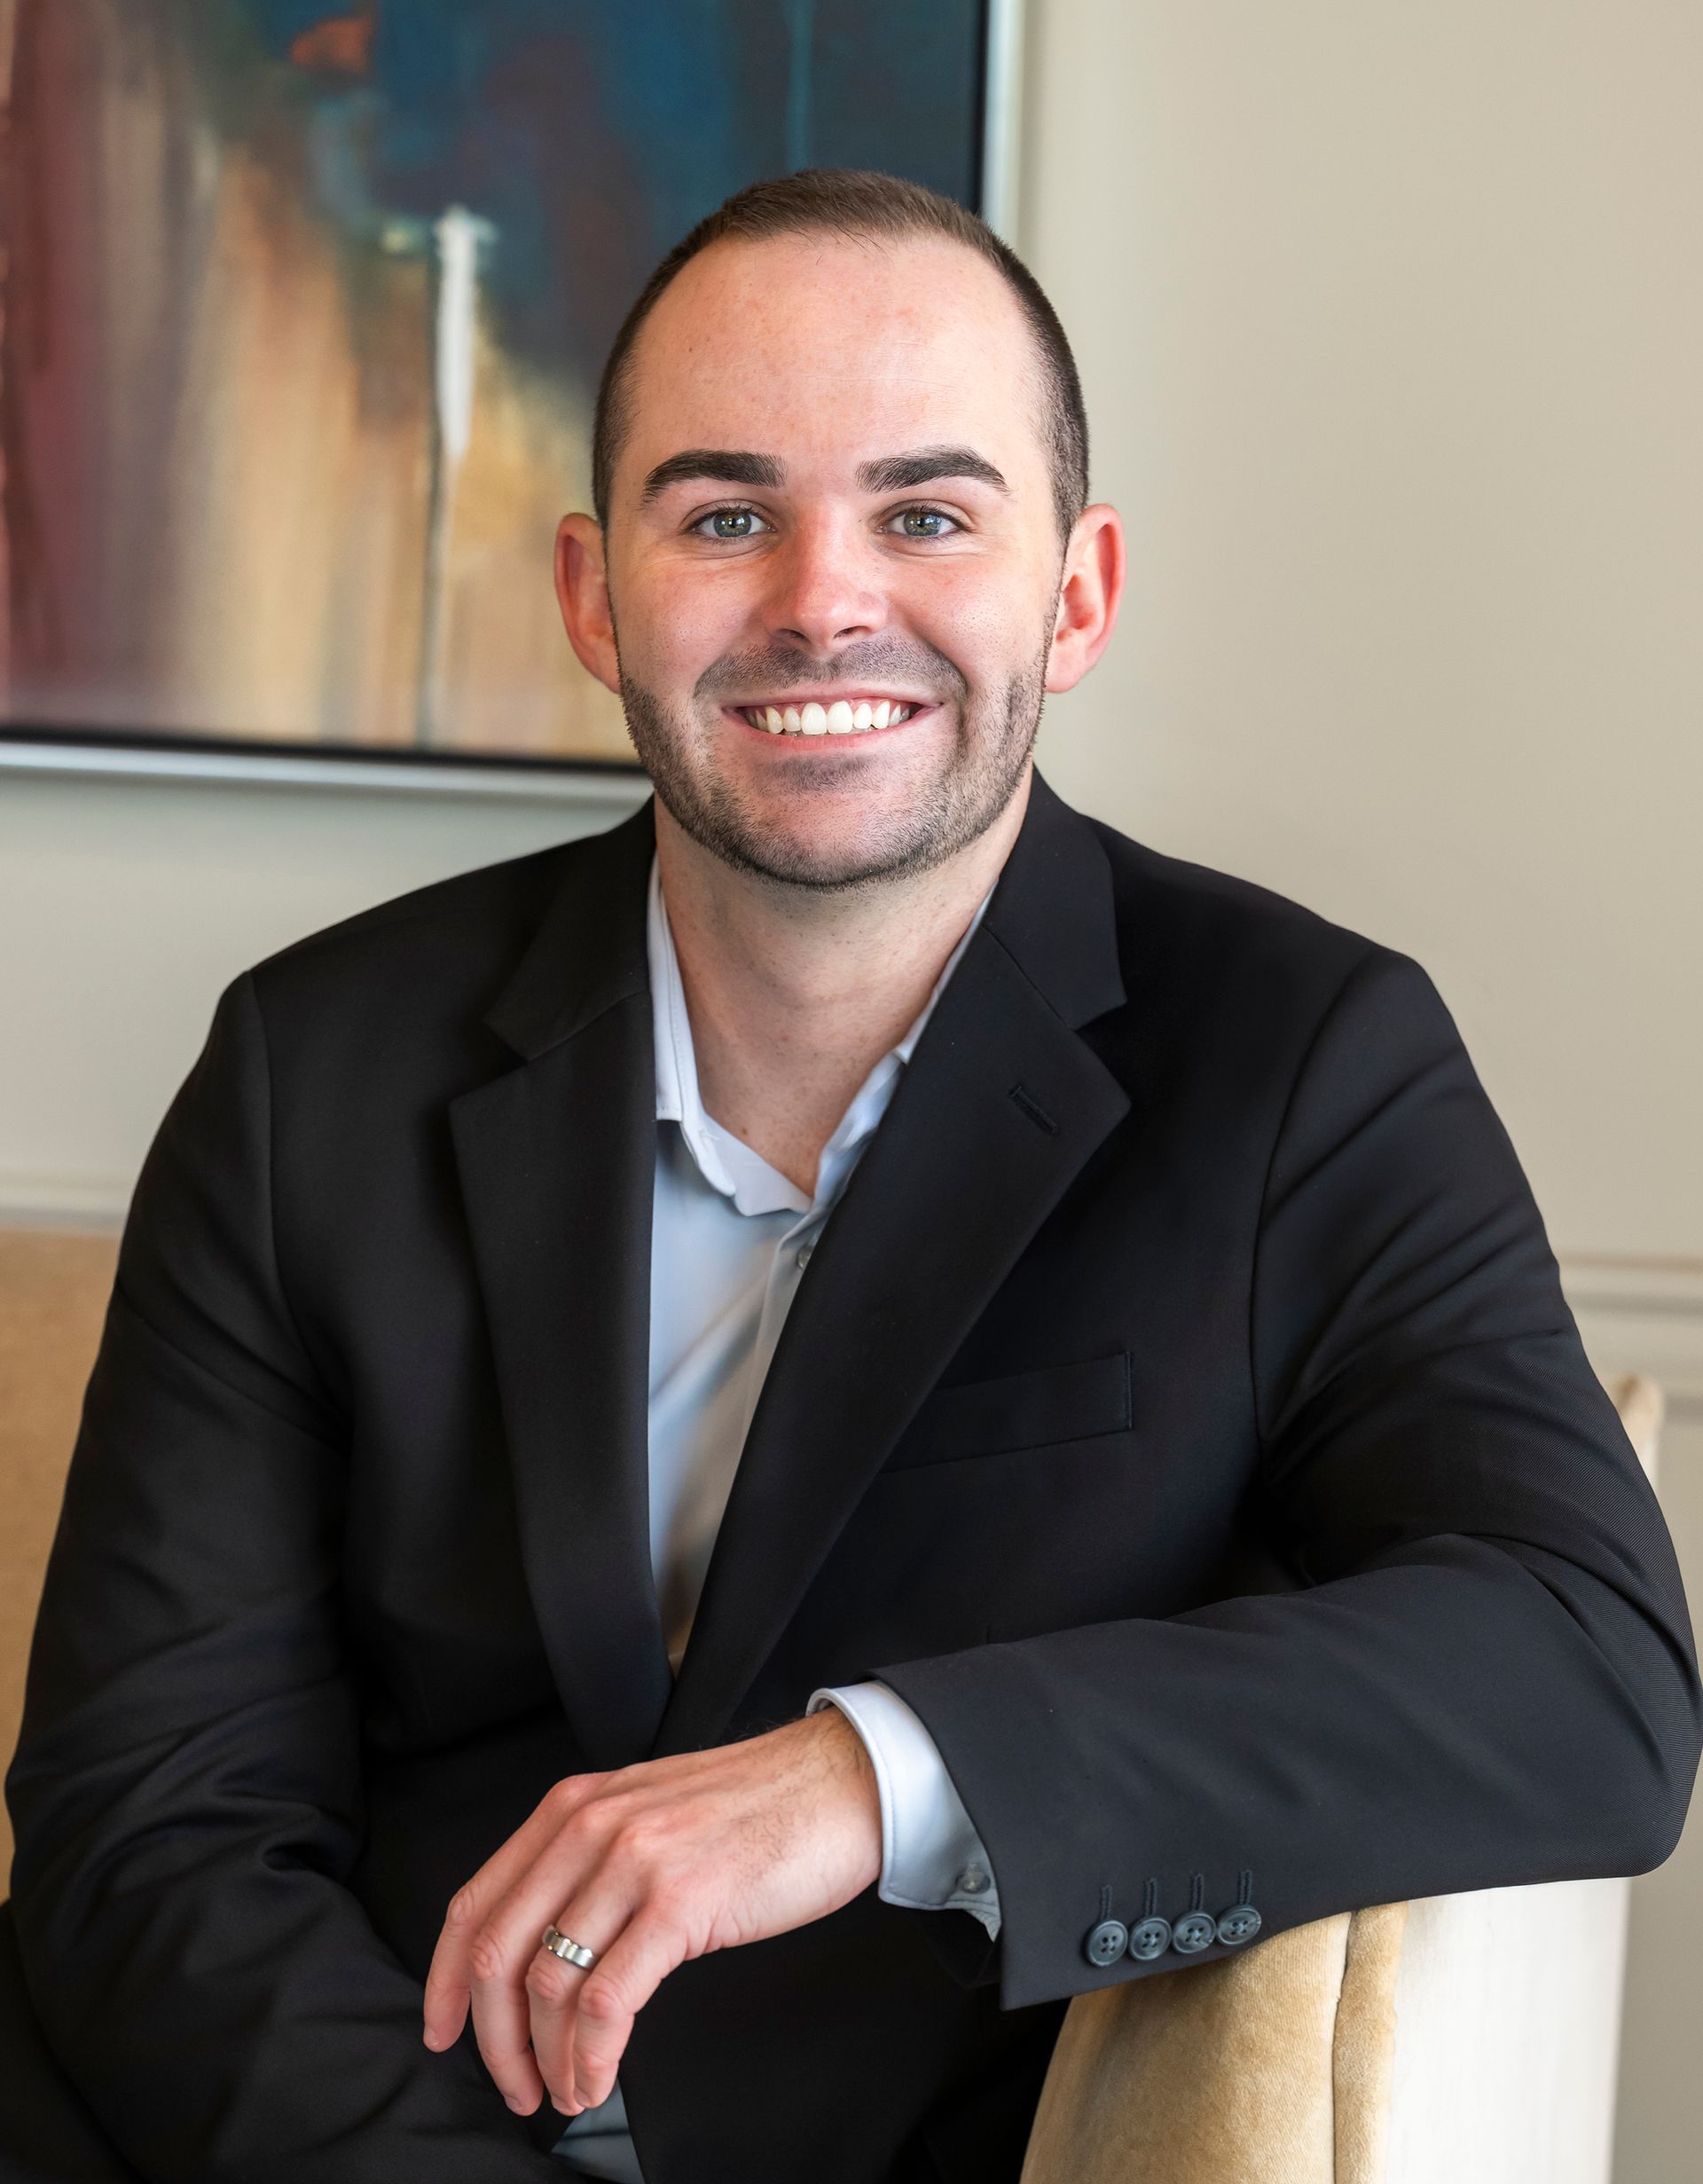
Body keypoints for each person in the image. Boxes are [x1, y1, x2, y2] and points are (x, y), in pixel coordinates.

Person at [3, 169, 1698, 2184]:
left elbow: (1582, 1661)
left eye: (926, 511)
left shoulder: (1304, 1060)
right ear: (590, 593)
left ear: (1075, 590)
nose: (823, 597)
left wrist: (870, 1771)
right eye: (726, 513)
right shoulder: (313, 1062)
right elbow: (149, 1813)